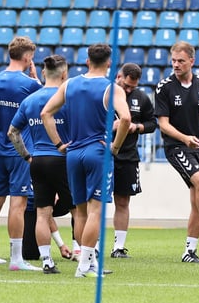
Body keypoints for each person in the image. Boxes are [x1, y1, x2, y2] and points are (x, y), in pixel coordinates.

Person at [41, 43, 131, 278]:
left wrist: (59, 144)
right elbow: (126, 119)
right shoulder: (112, 88)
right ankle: (84, 267)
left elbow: (45, 113)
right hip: (97, 153)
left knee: (80, 213)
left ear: (87, 61)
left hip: (73, 153)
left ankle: (88, 262)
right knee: (95, 212)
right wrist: (115, 147)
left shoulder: (69, 84)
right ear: (109, 63)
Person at [155, 41, 199, 263]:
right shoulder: (164, 87)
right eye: (173, 61)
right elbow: (163, 125)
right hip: (177, 147)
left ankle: (189, 251)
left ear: (192, 61)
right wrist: (185, 138)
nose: (176, 65)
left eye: (181, 61)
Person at [9, 54, 74, 274]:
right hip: (62, 159)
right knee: (80, 211)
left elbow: (12, 132)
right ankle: (86, 259)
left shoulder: (30, 100)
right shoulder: (67, 98)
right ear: (64, 74)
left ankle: (46, 260)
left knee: (42, 214)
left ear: (44, 73)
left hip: (37, 160)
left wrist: (27, 156)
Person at [0, 36, 42, 271]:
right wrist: (36, 78)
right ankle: (16, 259)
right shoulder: (30, 84)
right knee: (18, 204)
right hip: (21, 151)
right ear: (27, 57)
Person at [111, 62, 157, 259]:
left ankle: (118, 247)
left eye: (133, 87)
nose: (129, 90)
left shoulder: (141, 98)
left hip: (128, 156)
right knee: (94, 202)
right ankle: (90, 247)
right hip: (101, 154)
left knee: (123, 201)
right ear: (119, 76)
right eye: (126, 85)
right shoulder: (104, 93)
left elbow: (152, 123)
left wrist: (136, 127)